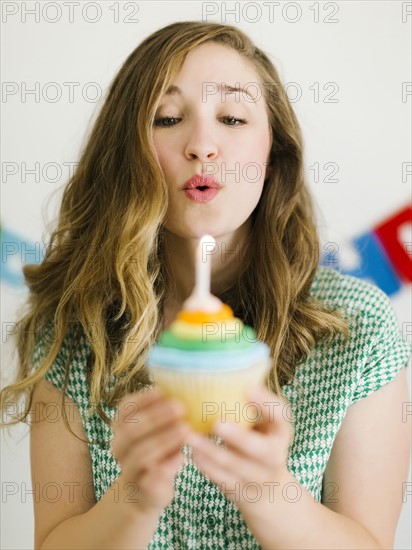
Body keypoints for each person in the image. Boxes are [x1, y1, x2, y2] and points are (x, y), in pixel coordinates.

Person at [1, 20, 411, 549]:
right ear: (125, 153)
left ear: (272, 156)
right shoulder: (72, 329)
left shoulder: (357, 329)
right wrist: (135, 497)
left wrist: (266, 490)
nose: (201, 145)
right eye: (168, 118)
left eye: (233, 117)